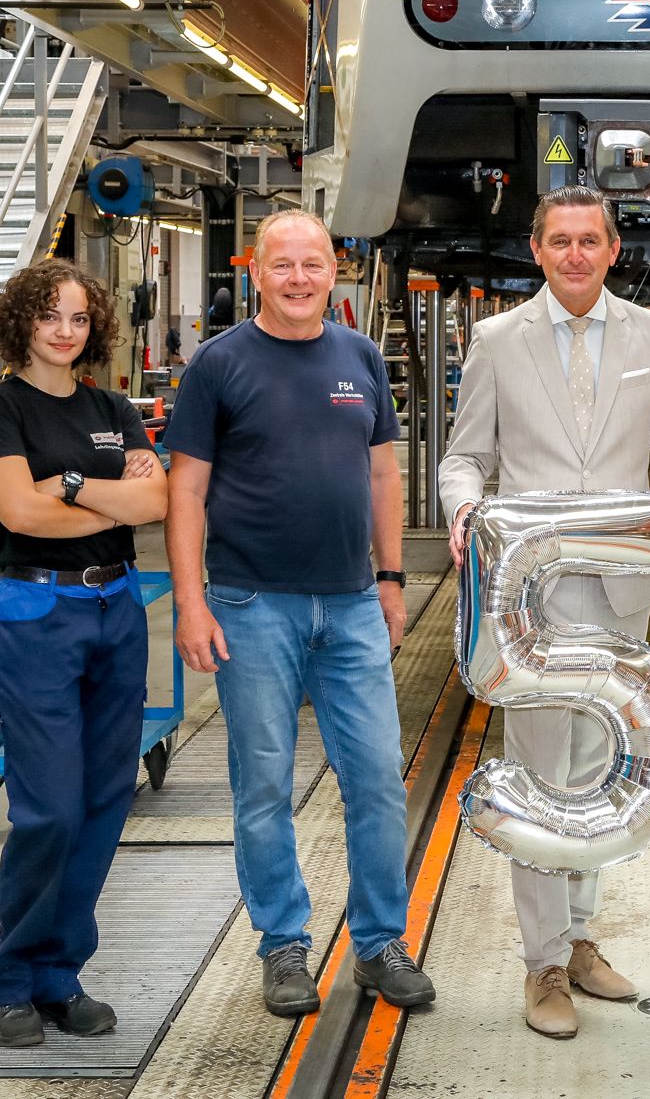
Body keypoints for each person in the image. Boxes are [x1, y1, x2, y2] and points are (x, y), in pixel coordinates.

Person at [438, 185, 650, 1040]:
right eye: (561, 241)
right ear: (537, 249)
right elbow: (465, 456)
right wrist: (459, 513)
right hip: (533, 600)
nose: (576, 254)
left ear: (613, 249)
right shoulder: (495, 340)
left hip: (622, 586)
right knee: (541, 775)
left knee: (607, 776)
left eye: (590, 240)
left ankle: (584, 937)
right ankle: (543, 962)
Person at [164, 209, 436, 1019]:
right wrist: (189, 602)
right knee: (263, 785)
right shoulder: (217, 364)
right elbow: (185, 489)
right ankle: (284, 944)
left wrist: (391, 578)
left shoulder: (358, 356)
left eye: (312, 264)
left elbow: (384, 476)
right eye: (282, 265)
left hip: (352, 602)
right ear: (256, 272)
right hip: (251, 605)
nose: (298, 278)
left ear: (334, 269)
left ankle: (379, 941)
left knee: (379, 778)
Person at [0, 259, 170, 1048]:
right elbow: (18, 509)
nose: (64, 329)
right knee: (48, 804)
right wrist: (104, 481)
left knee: (101, 800)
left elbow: (154, 503)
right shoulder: (1, 408)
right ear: (22, 321)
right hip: (40, 606)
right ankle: (8, 976)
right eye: (50, 315)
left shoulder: (112, 405)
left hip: (117, 604)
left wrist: (72, 482)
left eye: (79, 318)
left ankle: (60, 974)